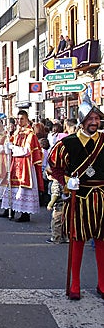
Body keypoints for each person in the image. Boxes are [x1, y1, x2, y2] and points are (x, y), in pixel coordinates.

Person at [48, 94, 104, 300]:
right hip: (78, 198)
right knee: (77, 240)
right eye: (90, 118)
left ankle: (102, 284)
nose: (94, 122)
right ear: (82, 120)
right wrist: (65, 181)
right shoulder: (67, 143)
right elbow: (54, 168)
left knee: (102, 241)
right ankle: (75, 284)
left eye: (97, 118)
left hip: (102, 198)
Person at [0, 110, 44, 222]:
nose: (19, 121)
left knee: (23, 190)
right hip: (15, 163)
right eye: (18, 119)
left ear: (27, 119)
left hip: (25, 165)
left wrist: (12, 147)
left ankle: (25, 214)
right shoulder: (17, 132)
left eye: (22, 118)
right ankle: (9, 210)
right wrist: (2, 147)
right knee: (11, 187)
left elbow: (27, 151)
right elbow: (9, 147)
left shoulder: (30, 134)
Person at [45, 169, 68, 244]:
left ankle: (56, 238)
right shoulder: (63, 180)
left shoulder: (55, 183)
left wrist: (50, 204)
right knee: (64, 222)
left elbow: (55, 195)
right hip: (65, 203)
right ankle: (65, 237)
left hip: (58, 205)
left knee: (56, 222)